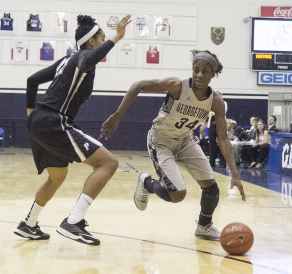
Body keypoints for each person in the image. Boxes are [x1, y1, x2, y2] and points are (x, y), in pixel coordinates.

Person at [100, 50, 246, 241]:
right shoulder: (177, 86)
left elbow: (224, 139)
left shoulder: (216, 102)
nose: (199, 75)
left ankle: (204, 226)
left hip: (185, 140)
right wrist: (118, 115)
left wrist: (235, 174)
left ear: (213, 74)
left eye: (204, 71)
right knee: (177, 194)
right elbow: (138, 85)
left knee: (211, 187)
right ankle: (147, 182)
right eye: (196, 70)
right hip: (160, 140)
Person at [14, 15, 132, 246]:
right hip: (54, 121)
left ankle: (28, 225)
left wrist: (31, 113)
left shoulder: (64, 61)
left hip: (39, 121)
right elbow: (88, 60)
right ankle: (73, 222)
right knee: (109, 163)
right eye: (102, 38)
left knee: (57, 176)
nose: (104, 41)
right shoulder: (84, 57)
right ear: (91, 42)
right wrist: (117, 38)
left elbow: (32, 80)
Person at [207, 91, 227, 167]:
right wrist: (211, 113)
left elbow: (222, 112)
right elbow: (207, 113)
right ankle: (211, 163)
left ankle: (223, 163)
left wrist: (214, 112)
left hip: (220, 124)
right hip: (211, 124)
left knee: (222, 143)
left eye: (219, 95)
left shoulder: (224, 103)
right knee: (211, 144)